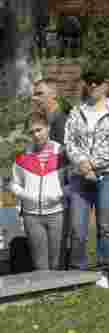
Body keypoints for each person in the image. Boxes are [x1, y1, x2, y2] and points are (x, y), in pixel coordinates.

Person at [63, 69, 109, 272]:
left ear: (106, 84)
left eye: (97, 81)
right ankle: (78, 271)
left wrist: (92, 164)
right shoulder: (76, 111)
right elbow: (69, 141)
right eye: (89, 81)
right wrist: (82, 164)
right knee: (77, 228)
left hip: (108, 174)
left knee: (104, 227)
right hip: (79, 175)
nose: (92, 85)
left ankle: (104, 269)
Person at [10, 113, 67, 271]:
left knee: (57, 262)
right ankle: (45, 296)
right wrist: (27, 195)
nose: (36, 135)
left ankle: (60, 294)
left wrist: (58, 194)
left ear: (48, 128)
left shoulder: (62, 153)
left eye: (39, 130)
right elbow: (14, 185)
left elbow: (73, 183)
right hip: (32, 216)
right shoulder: (22, 158)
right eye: (32, 132)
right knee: (40, 263)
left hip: (57, 213)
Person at [31, 79, 66, 144]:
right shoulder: (43, 122)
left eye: (39, 93)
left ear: (54, 94)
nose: (34, 98)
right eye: (34, 95)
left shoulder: (63, 122)